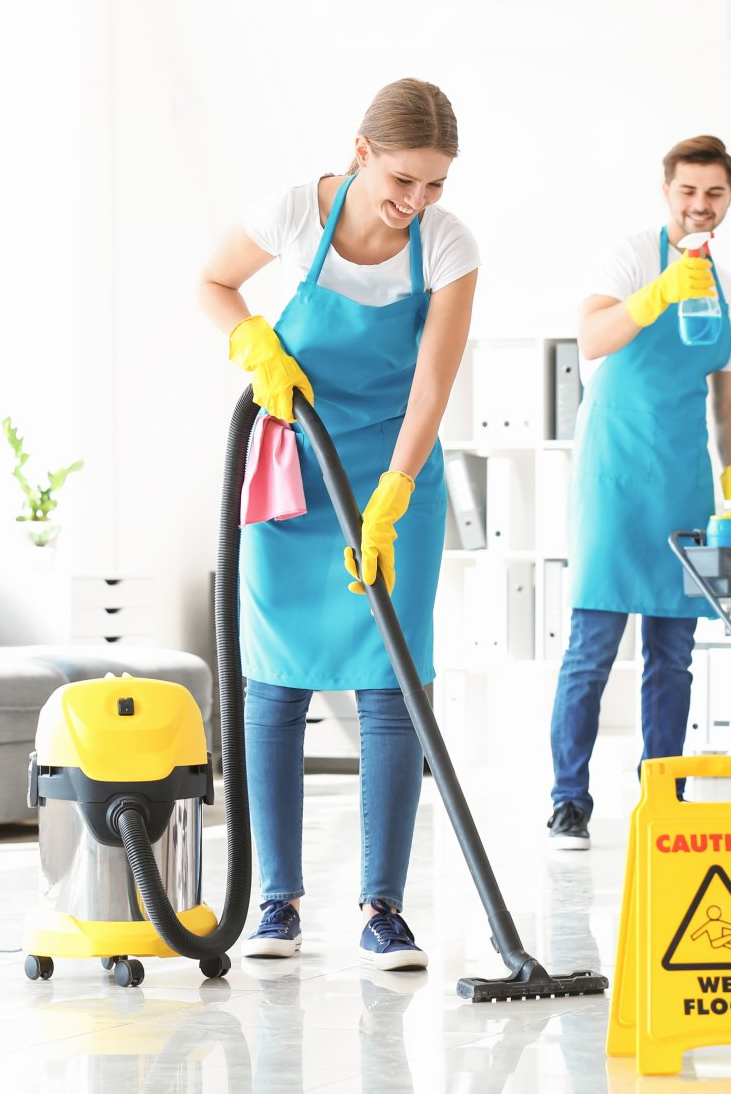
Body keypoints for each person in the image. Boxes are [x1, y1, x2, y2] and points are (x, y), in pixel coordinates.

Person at [194, 78, 479, 965]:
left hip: (394, 478)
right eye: (403, 180)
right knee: (274, 684)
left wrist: (392, 496)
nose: (416, 202)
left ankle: (382, 907)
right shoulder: (292, 212)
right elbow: (212, 281)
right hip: (292, 473)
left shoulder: (448, 245)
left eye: (434, 185)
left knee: (390, 683)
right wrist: (251, 341)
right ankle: (275, 901)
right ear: (361, 153)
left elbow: (432, 384)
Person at [545, 135, 731, 849]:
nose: (701, 206)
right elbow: (594, 336)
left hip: (681, 475)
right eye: (689, 191)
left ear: (730, 200)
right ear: (667, 191)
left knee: (674, 650)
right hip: (613, 472)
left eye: (715, 194)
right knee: (592, 647)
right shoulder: (629, 256)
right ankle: (568, 801)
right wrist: (659, 292)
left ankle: (662, 790)